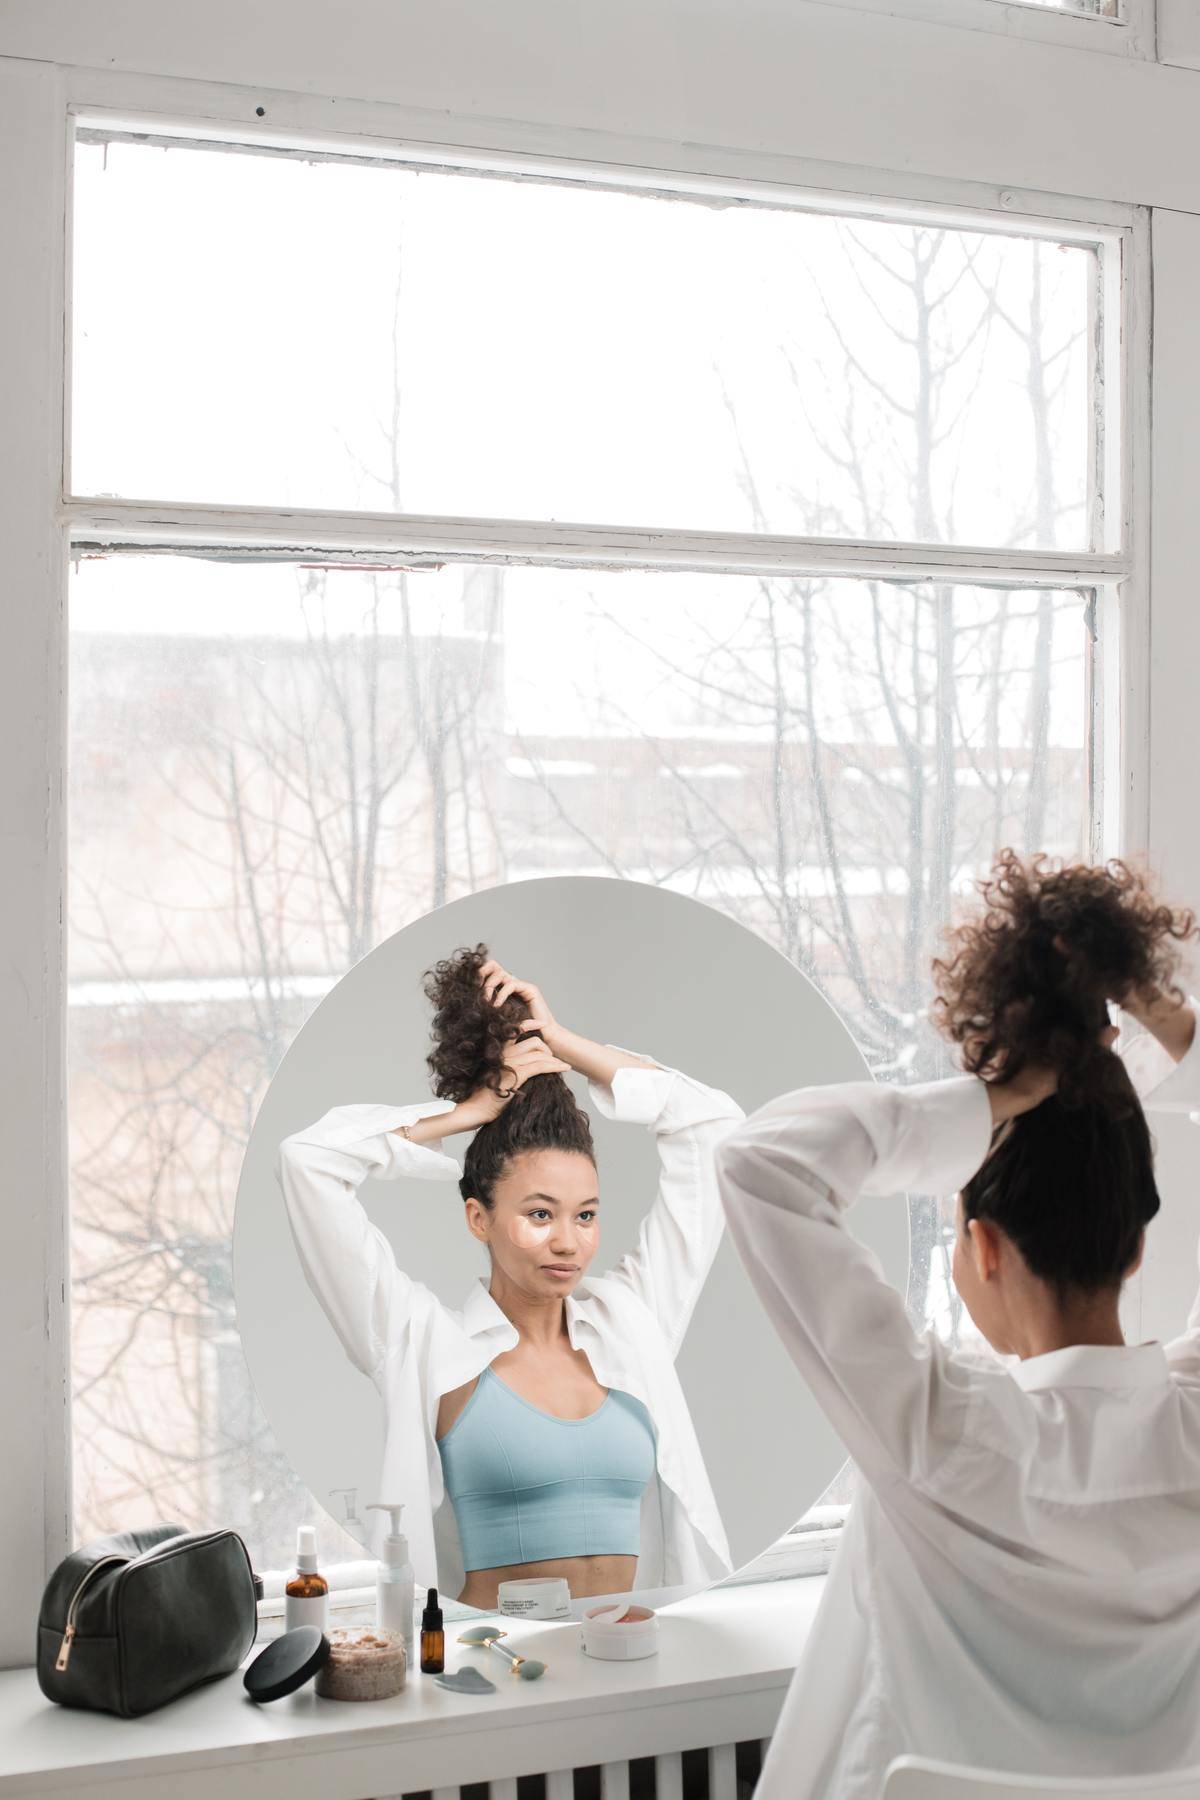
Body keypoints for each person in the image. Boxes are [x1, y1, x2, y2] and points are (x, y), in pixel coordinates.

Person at [715, 850, 1200, 1799]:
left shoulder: (938, 1435)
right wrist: (1166, 1016)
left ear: (981, 1247)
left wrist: (993, 1099)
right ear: (1136, 1249)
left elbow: (759, 1163)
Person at [276, 943, 741, 1607]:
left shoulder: (632, 1324)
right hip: (496, 1670)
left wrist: (564, 1043)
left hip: (632, 1663)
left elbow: (715, 1129)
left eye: (585, 1215)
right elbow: (307, 1163)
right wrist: (471, 1111)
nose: (567, 1242)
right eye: (539, 1213)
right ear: (478, 1217)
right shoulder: (422, 1343)